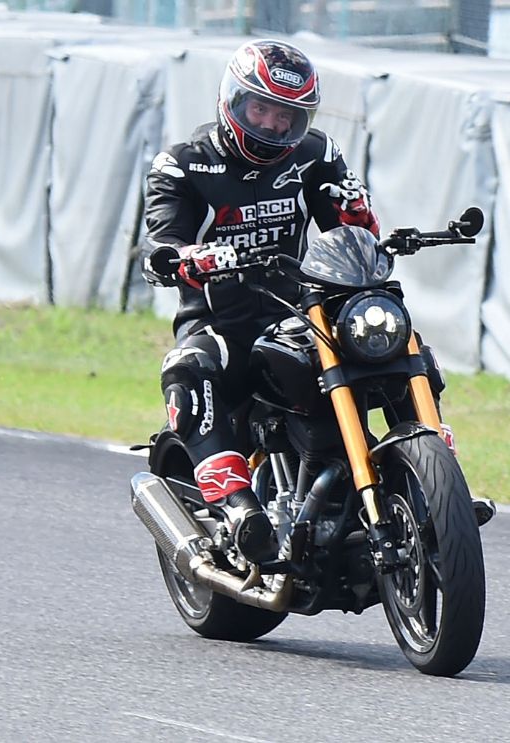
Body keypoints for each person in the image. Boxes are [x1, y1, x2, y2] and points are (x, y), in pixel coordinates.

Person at [141, 39, 379, 563]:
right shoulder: (182, 166)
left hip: (302, 310)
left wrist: (359, 216)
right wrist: (186, 258)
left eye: (288, 116)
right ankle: (237, 506)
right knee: (189, 366)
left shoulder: (318, 153)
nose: (273, 126)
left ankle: (429, 476)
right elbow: (160, 244)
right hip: (223, 317)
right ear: (233, 102)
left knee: (393, 340)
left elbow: (351, 229)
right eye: (262, 109)